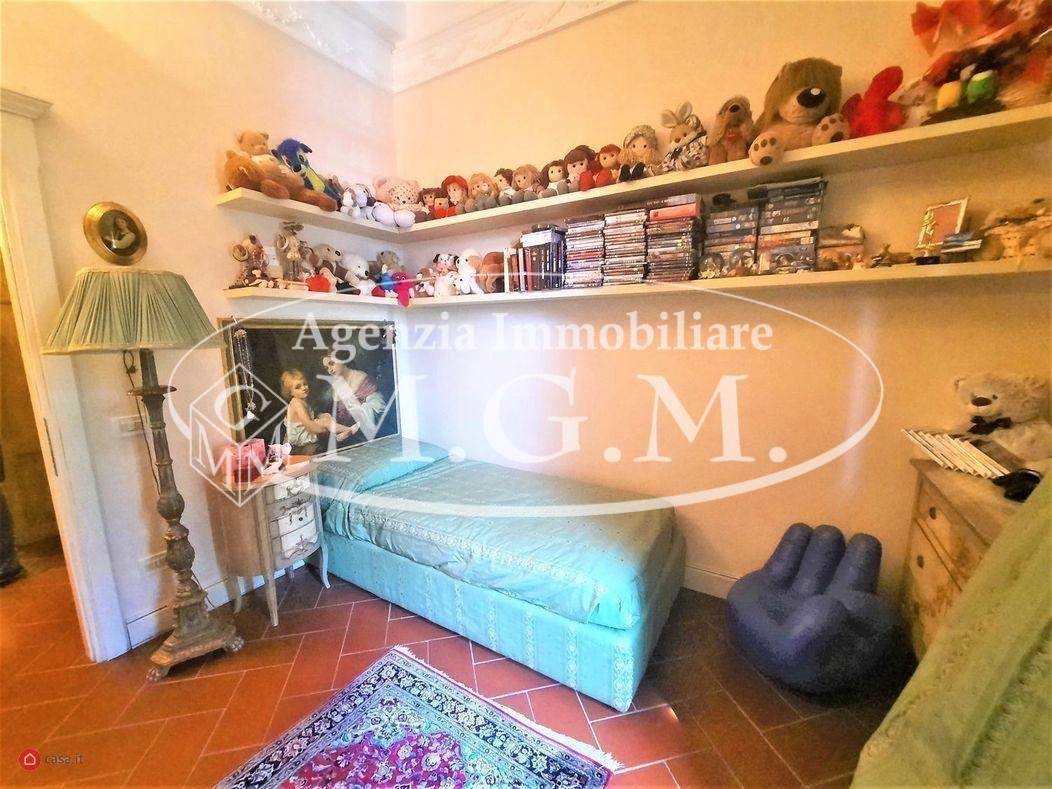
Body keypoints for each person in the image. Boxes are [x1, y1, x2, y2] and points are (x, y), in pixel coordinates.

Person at [281, 369, 356, 455]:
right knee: (324, 422)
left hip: (304, 432)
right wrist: (322, 429)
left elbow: (310, 418)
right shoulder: (296, 403)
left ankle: (339, 435)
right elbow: (308, 424)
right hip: (299, 439)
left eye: (304, 384)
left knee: (325, 417)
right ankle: (349, 430)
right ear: (291, 392)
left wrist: (323, 419)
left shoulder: (302, 401)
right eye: (298, 387)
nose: (303, 388)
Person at [321, 355, 388, 441]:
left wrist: (353, 429)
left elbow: (379, 407)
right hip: (340, 437)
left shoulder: (362, 379)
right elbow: (329, 411)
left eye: (332, 364)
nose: (330, 370)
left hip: (362, 436)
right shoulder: (333, 387)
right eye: (327, 368)